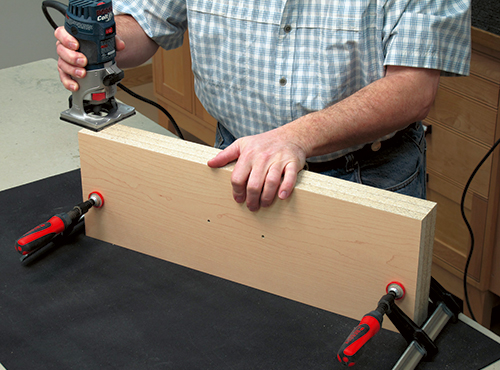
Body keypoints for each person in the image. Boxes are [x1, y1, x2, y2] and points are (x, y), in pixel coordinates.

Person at [55, 0, 471, 211]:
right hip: (238, 164)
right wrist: (102, 44)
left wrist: (296, 137)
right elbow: (145, 24)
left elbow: (413, 89)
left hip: (368, 176)